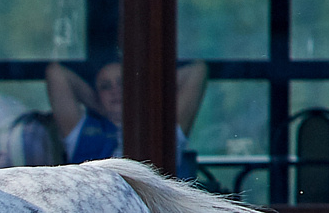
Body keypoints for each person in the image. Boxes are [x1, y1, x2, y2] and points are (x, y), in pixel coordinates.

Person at [44, 60, 209, 175]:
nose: (115, 91)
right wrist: (99, 105)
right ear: (97, 95)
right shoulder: (82, 130)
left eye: (123, 83)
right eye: (106, 87)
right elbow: (55, 73)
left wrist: (142, 96)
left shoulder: (162, 127)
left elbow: (198, 71)